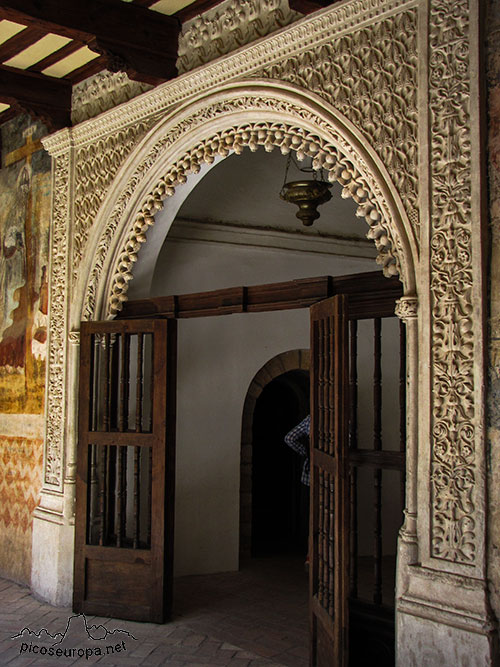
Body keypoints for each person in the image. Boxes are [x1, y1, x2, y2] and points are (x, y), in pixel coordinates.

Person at [284, 414, 310, 487]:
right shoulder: (335, 417)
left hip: (310, 472)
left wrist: (306, 452)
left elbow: (289, 438)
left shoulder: (310, 419)